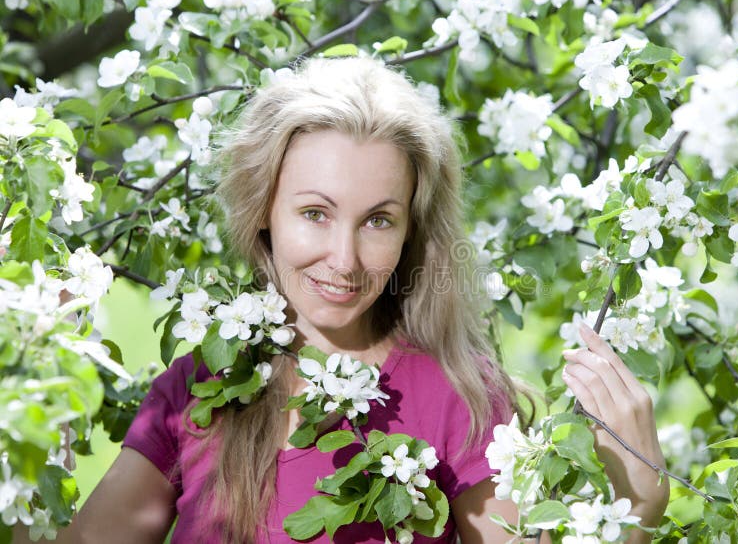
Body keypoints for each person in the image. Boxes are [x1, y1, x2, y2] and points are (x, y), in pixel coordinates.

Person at [14, 57, 668, 543]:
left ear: (412, 231)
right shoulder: (199, 390)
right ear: (264, 210)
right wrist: (29, 424)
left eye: (378, 220)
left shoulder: (460, 401)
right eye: (315, 213)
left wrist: (640, 504)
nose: (346, 260)